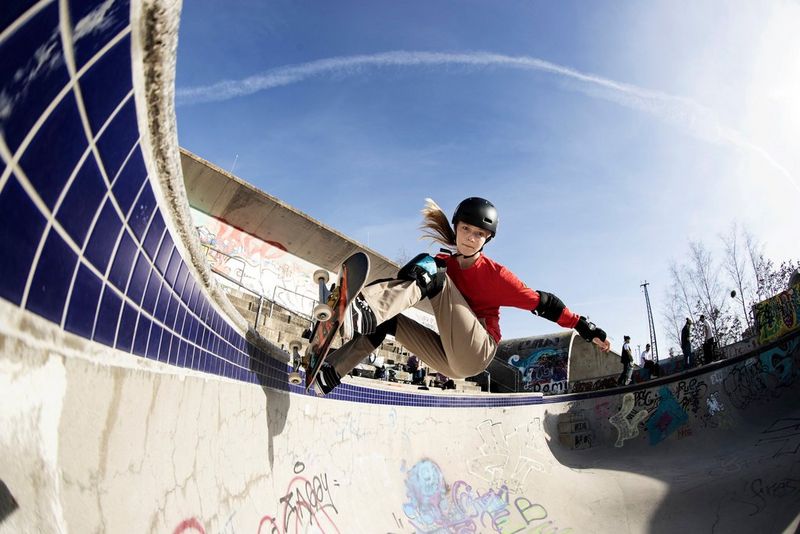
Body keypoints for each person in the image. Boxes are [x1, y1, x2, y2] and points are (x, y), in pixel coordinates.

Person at [314, 197, 611, 394]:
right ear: (456, 228)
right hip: (448, 357)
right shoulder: (444, 264)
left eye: (479, 234)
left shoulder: (497, 275)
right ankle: (330, 373)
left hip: (479, 351)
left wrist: (585, 327)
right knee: (389, 318)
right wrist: (379, 288)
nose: (470, 238)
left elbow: (545, 303)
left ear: (488, 239)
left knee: (433, 270)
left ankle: (364, 311)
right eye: (466, 229)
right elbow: (404, 285)